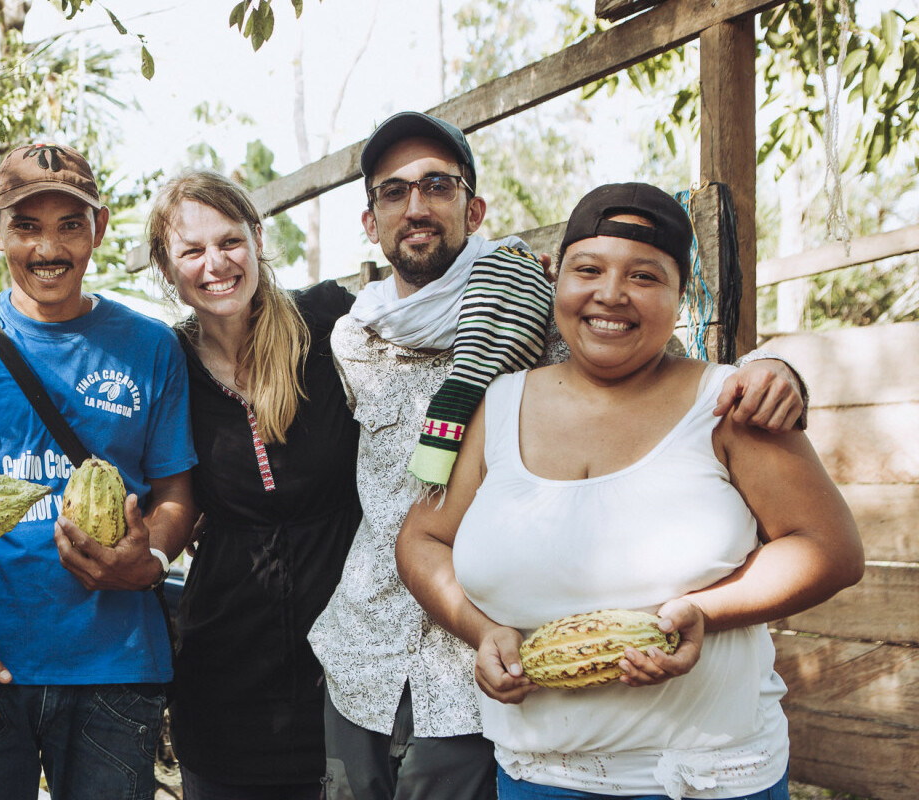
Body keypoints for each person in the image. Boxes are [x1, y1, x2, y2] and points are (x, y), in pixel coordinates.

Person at [304, 111, 811, 800]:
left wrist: (779, 367)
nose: (415, 205)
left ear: (473, 208)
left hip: (486, 681)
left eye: (437, 185)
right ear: (370, 222)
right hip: (366, 652)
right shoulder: (350, 339)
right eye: (393, 191)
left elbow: (654, 370)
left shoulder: (542, 310)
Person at [395, 182, 863, 800]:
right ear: (557, 278)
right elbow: (422, 538)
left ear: (679, 295)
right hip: (537, 776)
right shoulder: (500, 403)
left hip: (708, 777)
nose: (610, 294)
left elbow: (830, 550)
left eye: (644, 276)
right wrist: (480, 631)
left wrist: (705, 611)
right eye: (588, 269)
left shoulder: (727, 404)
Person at [0, 142, 197, 800]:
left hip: (116, 668)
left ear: (100, 229)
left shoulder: (152, 347)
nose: (48, 249)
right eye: (26, 226)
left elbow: (175, 491)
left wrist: (151, 560)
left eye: (69, 225)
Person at [146, 169, 360, 800]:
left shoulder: (329, 324)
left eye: (229, 241)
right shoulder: (167, 363)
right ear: (168, 270)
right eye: (192, 251)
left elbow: (426, 324)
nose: (215, 264)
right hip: (227, 667)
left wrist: (509, 272)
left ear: (257, 238)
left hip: (347, 662)